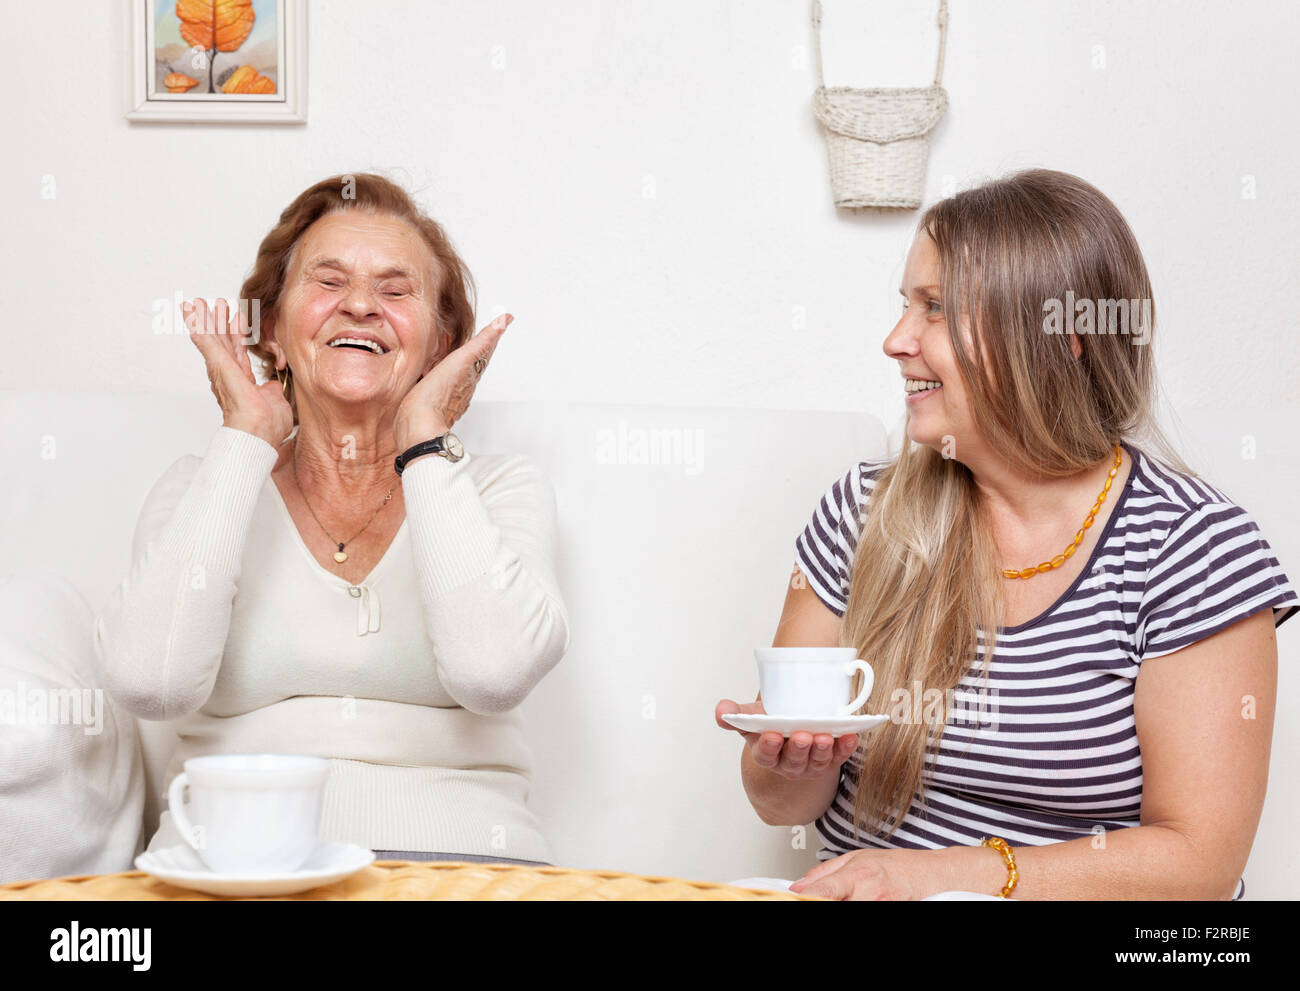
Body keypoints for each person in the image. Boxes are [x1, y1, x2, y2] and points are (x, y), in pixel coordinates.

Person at [716, 168, 1297, 900]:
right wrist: (787, 763)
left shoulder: (1194, 550)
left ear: (1064, 337)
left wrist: (936, 877)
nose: (896, 340)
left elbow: (1198, 859)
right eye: (905, 305)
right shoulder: (860, 512)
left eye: (935, 309)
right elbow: (779, 805)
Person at [95, 172, 570, 866]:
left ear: (440, 347)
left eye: (396, 290)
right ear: (274, 332)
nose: (359, 305)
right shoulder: (202, 487)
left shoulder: (501, 490)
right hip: (232, 871)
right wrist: (247, 436)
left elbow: (491, 672)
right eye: (328, 282)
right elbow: (150, 685)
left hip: (467, 870)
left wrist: (424, 438)